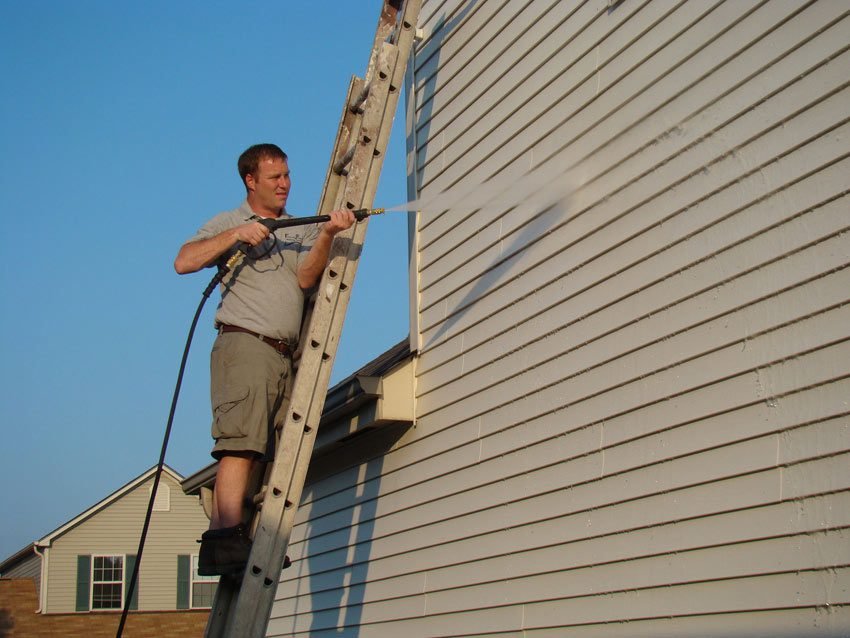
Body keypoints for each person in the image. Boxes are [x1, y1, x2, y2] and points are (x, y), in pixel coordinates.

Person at [174, 143, 356, 575]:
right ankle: (225, 541)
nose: (285, 184)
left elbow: (306, 279)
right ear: (250, 181)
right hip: (244, 345)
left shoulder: (300, 229)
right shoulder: (230, 222)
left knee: (261, 448)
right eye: (275, 177)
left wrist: (329, 233)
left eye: (288, 175)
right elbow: (183, 261)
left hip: (281, 354)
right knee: (239, 445)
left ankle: (240, 541)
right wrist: (238, 234)